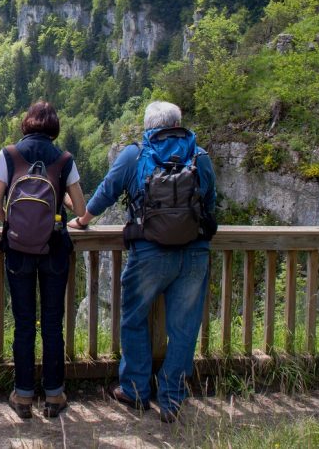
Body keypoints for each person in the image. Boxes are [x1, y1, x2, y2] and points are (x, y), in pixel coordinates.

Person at [68, 101, 216, 423]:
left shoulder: (135, 154)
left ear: (149, 127)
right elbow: (210, 203)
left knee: (134, 318)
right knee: (184, 329)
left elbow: (107, 190)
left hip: (149, 252)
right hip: (194, 253)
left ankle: (134, 389)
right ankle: (172, 400)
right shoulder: (200, 157)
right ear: (178, 123)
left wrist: (82, 220)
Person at [0, 101, 87, 419]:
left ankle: (23, 395)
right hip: (55, 248)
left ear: (27, 123)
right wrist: (62, 204)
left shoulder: (9, 155)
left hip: (18, 251)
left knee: (24, 325)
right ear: (54, 127)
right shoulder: (64, 159)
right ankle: (54, 396)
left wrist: (16, 227)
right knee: (52, 325)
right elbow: (82, 207)